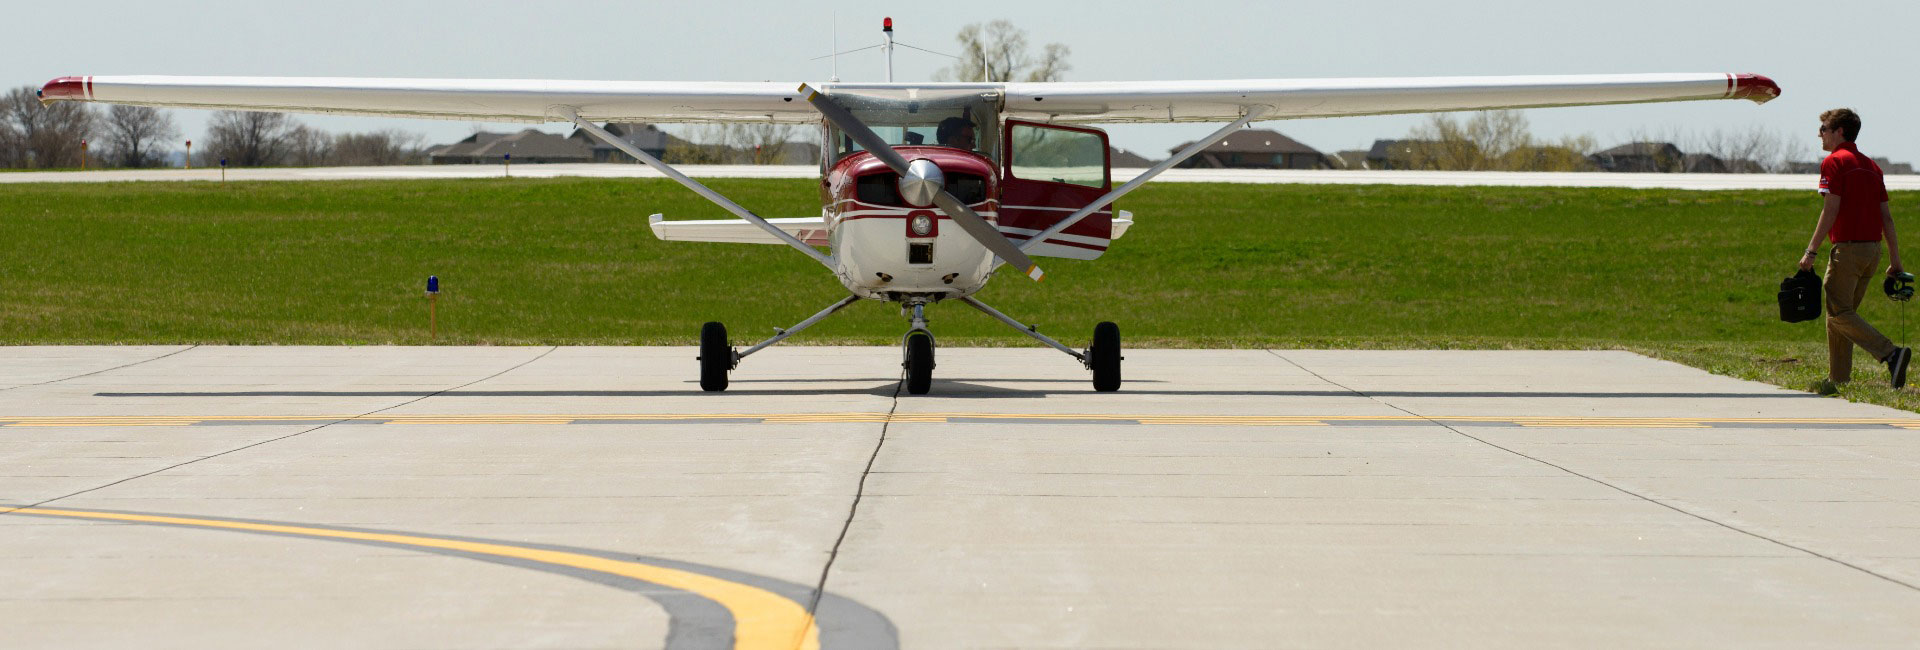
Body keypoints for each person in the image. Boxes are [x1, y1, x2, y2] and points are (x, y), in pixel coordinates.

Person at [1797, 108, 1910, 393]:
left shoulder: (1834, 162)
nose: (1819, 134)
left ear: (1839, 131)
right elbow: (1887, 218)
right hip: (1872, 253)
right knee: (1842, 316)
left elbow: (1830, 209)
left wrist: (1811, 251)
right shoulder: (1872, 167)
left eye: (1823, 128)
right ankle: (1838, 380)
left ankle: (1890, 353)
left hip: (1847, 251)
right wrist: (1895, 261)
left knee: (1839, 313)